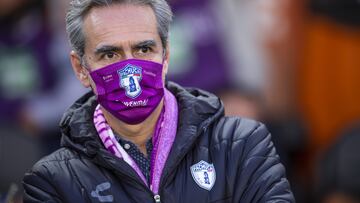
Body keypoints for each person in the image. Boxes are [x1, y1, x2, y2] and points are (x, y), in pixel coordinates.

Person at [22, 0, 294, 202]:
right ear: (81, 68)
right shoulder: (52, 182)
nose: (130, 69)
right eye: (110, 55)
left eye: (143, 49)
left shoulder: (243, 144)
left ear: (166, 57)